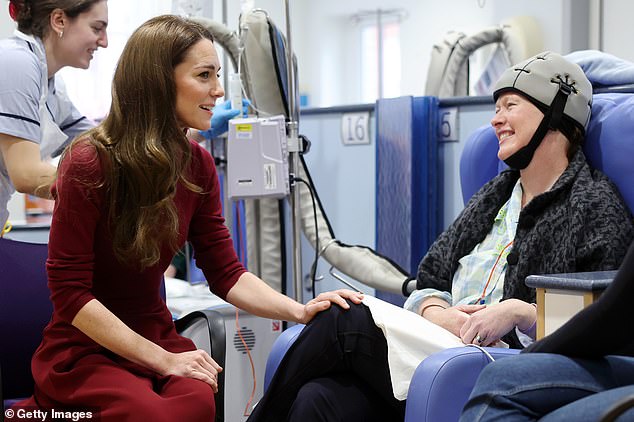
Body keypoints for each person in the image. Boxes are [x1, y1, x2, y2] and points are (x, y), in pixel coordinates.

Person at [245, 51, 634, 421]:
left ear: (556, 113)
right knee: (317, 401)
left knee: (341, 318)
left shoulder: (595, 206)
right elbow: (430, 277)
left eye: (510, 105)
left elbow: (603, 319)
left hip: (502, 361)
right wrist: (438, 313)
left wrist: (521, 313)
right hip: (434, 345)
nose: (496, 119)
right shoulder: (494, 197)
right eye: (495, 108)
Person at [10, 14, 362, 422]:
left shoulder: (197, 165)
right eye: (204, 75)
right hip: (86, 350)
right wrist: (162, 360)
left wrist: (299, 310)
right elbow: (71, 297)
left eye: (217, 75)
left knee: (195, 402)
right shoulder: (89, 163)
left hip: (158, 338)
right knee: (153, 414)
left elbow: (226, 273)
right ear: (160, 81)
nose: (217, 90)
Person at [461, 240, 634, 421]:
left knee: (504, 388)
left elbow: (616, 315)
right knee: (500, 376)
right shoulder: (482, 213)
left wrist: (533, 352)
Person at [0, 0, 107, 234]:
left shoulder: (51, 85)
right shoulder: (16, 61)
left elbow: (104, 145)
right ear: (59, 21)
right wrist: (111, 189)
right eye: (97, 28)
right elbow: (26, 174)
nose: (104, 42)